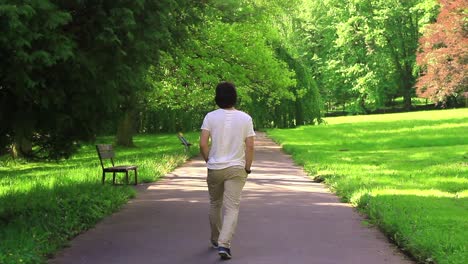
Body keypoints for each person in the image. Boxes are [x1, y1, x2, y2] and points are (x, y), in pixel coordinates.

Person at [199, 81, 255, 260]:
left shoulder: (210, 117)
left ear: (217, 97)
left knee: (215, 203)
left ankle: (216, 239)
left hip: (215, 167)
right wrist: (247, 167)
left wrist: (209, 160)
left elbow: (202, 143)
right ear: (234, 97)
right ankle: (224, 244)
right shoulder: (245, 118)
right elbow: (250, 146)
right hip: (237, 168)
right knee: (232, 208)